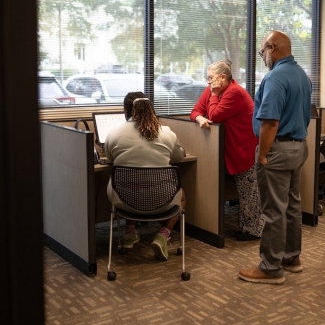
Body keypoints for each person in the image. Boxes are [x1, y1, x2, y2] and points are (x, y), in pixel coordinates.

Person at [239, 31, 311, 284]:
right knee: (292, 205)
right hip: (299, 147)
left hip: (278, 149)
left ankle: (270, 268)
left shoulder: (275, 78)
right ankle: (291, 257)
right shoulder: (302, 76)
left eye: (262, 52)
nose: (263, 58)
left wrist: (263, 155)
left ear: (272, 47)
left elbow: (270, 122)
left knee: (273, 210)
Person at [104, 91, 186, 261]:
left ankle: (129, 233)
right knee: (182, 196)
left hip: (125, 200)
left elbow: (110, 160)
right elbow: (179, 157)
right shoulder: (166, 132)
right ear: (151, 109)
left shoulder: (113, 134)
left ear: (126, 112)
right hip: (162, 199)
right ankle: (162, 236)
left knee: (128, 182)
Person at [190, 59, 262, 240]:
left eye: (211, 78)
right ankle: (247, 226)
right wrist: (200, 119)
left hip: (243, 147)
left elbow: (215, 115)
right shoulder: (212, 89)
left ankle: (253, 230)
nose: (208, 82)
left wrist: (213, 97)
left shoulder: (235, 92)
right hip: (228, 147)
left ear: (223, 77)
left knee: (249, 192)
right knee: (244, 190)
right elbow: (196, 110)